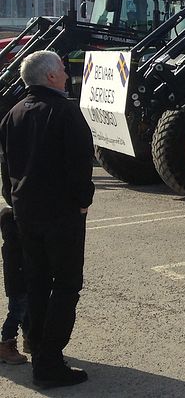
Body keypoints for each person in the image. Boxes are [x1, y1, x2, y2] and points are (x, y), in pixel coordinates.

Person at [0, 50, 94, 388]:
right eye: (63, 72)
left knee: (38, 284)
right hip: (61, 214)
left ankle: (40, 350)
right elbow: (80, 162)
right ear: (50, 77)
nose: (68, 77)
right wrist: (83, 203)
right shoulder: (65, 112)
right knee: (67, 286)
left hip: (26, 213)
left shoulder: (13, 114)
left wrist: (14, 200)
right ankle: (49, 362)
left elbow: (6, 167)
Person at [0, 206, 28, 365]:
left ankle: (30, 338)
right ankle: (6, 342)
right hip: (18, 285)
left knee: (27, 311)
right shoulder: (15, 246)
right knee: (17, 312)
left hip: (21, 284)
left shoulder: (12, 244)